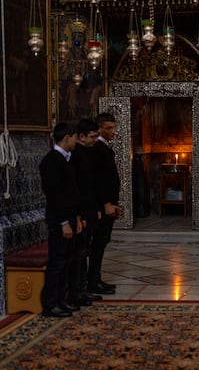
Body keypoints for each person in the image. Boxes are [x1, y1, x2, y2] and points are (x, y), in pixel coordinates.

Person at [39, 122, 82, 317]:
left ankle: (61, 300)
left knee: (66, 261)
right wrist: (64, 222)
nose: (76, 141)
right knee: (57, 263)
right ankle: (50, 304)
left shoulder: (65, 159)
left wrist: (77, 218)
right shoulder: (52, 161)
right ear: (67, 138)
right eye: (75, 137)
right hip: (59, 220)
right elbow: (55, 196)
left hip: (70, 217)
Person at [68, 118, 103, 306]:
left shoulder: (87, 154)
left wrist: (95, 209)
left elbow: (91, 186)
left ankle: (82, 289)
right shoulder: (76, 156)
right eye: (92, 137)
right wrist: (81, 215)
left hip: (89, 211)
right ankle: (77, 291)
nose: (95, 140)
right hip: (80, 213)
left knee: (84, 252)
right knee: (79, 254)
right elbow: (78, 189)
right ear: (81, 136)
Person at [87, 112, 121, 295]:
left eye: (114, 127)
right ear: (99, 129)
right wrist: (107, 203)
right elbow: (99, 180)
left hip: (109, 203)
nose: (113, 131)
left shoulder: (105, 147)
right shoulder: (97, 149)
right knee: (98, 242)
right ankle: (92, 281)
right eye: (109, 128)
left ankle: (96, 279)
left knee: (103, 241)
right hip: (103, 204)